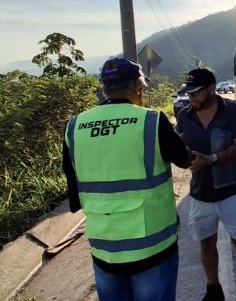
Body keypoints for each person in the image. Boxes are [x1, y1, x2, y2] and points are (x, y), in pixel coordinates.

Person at [61, 58, 190, 301]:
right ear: (139, 87)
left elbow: (73, 183)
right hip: (151, 245)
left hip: (104, 246)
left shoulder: (74, 126)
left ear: (103, 88)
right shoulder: (151, 120)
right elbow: (184, 160)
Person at [174, 68, 236, 301]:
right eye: (188, 93)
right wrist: (182, 154)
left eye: (196, 93)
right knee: (206, 244)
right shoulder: (184, 116)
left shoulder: (233, 110)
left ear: (211, 89)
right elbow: (181, 148)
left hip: (232, 191)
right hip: (201, 193)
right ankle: (214, 290)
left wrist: (211, 159)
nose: (191, 97)